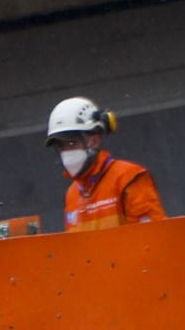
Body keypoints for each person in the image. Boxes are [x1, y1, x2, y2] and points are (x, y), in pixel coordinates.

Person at [45, 97, 166, 232]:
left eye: (72, 143)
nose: (67, 151)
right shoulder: (72, 194)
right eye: (61, 146)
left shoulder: (128, 178)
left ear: (94, 140)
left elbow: (152, 237)